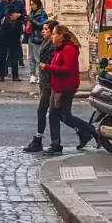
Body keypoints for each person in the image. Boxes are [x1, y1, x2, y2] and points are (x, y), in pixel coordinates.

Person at [42, 23, 94, 154]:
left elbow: (67, 70)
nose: (52, 36)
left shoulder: (68, 49)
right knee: (59, 115)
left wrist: (48, 67)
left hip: (66, 86)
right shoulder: (59, 48)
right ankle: (86, 132)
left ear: (61, 35)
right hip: (59, 85)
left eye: (54, 34)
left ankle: (89, 131)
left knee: (61, 115)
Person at [22, 21, 57, 153]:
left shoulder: (53, 46)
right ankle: (85, 132)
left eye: (46, 29)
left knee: (43, 111)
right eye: (43, 29)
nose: (43, 31)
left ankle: (38, 139)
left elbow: (52, 64)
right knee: (61, 115)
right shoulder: (46, 42)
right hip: (44, 81)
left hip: (50, 82)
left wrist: (45, 67)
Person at [0, 0, 25, 82]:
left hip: (15, 31)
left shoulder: (19, 3)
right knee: (2, 54)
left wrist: (19, 15)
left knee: (14, 55)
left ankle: (15, 75)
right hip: (3, 32)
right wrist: (4, 15)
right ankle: (1, 74)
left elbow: (24, 16)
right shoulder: (1, 3)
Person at [24, 0, 49, 83]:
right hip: (31, 36)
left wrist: (32, 20)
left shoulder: (43, 14)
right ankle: (32, 75)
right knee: (31, 57)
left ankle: (40, 75)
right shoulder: (31, 13)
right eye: (30, 5)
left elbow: (42, 24)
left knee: (38, 57)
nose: (32, 6)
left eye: (33, 4)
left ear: (38, 4)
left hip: (39, 37)